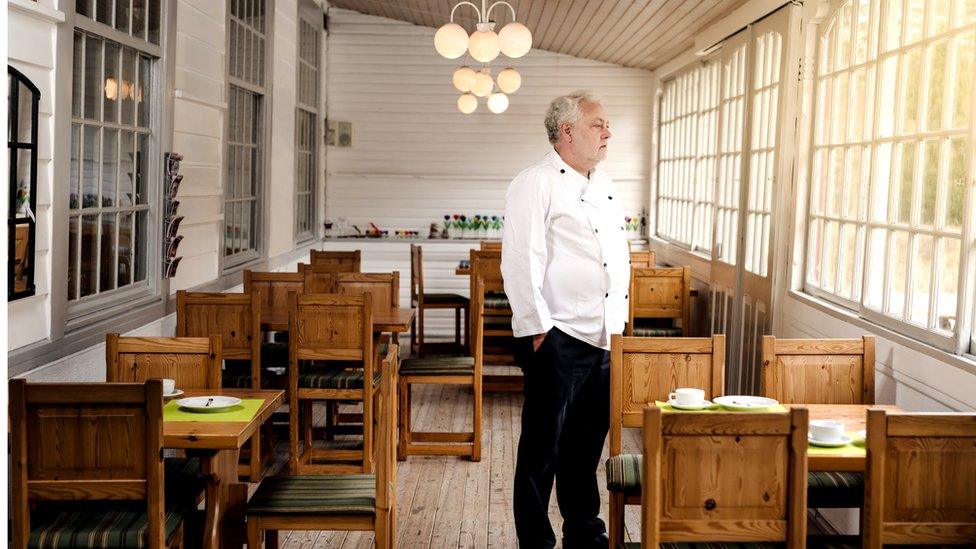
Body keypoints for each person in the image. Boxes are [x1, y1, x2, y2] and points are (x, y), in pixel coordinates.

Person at [502, 90, 630, 549]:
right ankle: (535, 542)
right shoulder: (534, 182)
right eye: (599, 124)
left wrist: (619, 325)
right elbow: (521, 260)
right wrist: (539, 331)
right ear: (567, 132)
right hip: (557, 335)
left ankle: (584, 531)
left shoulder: (605, 183)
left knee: (584, 447)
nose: (608, 133)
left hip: (603, 337)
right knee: (541, 451)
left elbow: (615, 256)